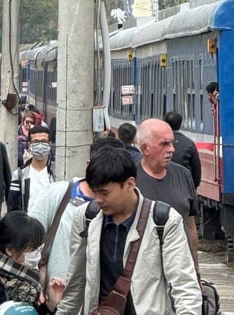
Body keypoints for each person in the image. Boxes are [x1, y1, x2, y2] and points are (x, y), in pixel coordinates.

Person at [56, 147, 201, 314]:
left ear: (130, 184)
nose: (98, 199)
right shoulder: (87, 216)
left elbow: (184, 285)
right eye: (94, 192)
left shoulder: (163, 220)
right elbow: (76, 281)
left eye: (104, 193)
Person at [27, 137, 123, 302]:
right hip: (58, 296)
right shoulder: (58, 194)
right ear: (88, 165)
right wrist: (35, 285)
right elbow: (28, 240)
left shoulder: (125, 207)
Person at [135, 118, 199, 262]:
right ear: (145, 148)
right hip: (143, 269)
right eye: (164, 144)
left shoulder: (183, 175)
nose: (172, 149)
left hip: (180, 268)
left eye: (171, 142)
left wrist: (195, 267)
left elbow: (190, 225)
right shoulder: (130, 178)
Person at [8, 126, 55, 212]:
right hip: (28, 223)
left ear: (50, 143)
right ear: (29, 144)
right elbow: (12, 206)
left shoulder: (56, 174)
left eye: (44, 141)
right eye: (36, 142)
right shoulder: (19, 174)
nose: (40, 145)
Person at [164, 111, 202, 188]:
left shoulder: (158, 141)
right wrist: (193, 186)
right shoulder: (189, 143)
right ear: (181, 124)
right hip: (184, 185)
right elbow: (196, 168)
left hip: (163, 184)